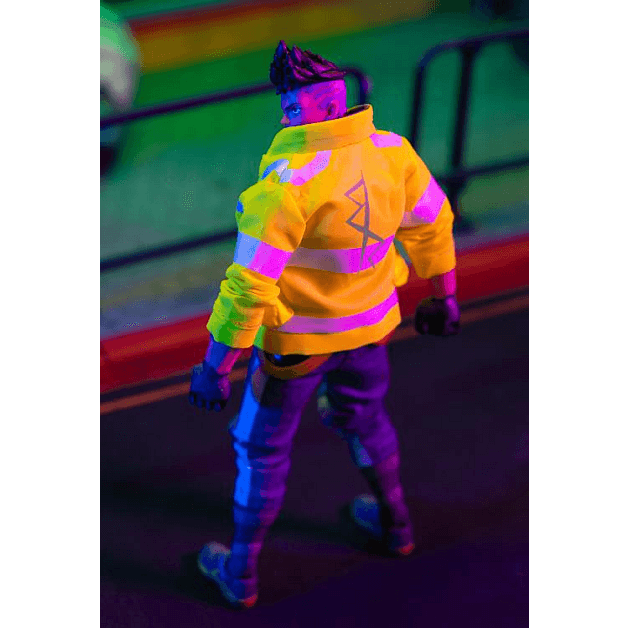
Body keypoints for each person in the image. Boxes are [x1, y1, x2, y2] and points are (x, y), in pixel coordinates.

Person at [189, 40, 460, 609]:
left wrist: (216, 365)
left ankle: (241, 572)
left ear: (323, 105)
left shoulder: (287, 184)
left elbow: (248, 286)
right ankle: (396, 524)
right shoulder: (393, 152)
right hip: (369, 333)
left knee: (261, 450)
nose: (284, 117)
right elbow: (433, 224)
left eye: (292, 106)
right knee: (366, 418)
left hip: (295, 351)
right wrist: (444, 295)